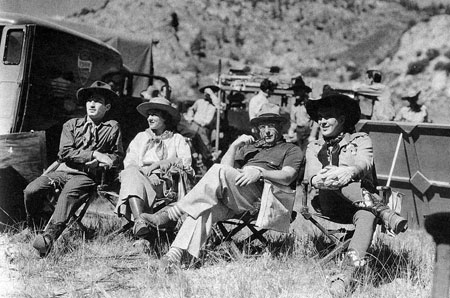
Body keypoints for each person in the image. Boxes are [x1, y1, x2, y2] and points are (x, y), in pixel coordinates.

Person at [139, 103, 303, 270]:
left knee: (218, 170)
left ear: (280, 127)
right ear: (258, 129)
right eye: (263, 126)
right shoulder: (252, 147)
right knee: (203, 208)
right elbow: (226, 168)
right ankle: (173, 258)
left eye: (272, 126)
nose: (266, 131)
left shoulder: (290, 149)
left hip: (262, 199)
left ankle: (172, 213)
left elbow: (288, 176)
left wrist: (260, 173)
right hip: (235, 197)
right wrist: (234, 146)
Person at [304, 90, 408, 295]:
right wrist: (332, 175)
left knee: (367, 216)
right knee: (335, 178)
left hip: (358, 205)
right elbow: (313, 177)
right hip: (329, 203)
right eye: (319, 117)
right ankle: (385, 212)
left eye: (327, 116)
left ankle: (344, 276)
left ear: (342, 119)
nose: (322, 121)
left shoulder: (360, 139)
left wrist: (350, 171)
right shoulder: (314, 146)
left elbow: (364, 162)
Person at [27, 81, 124, 255]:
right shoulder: (71, 125)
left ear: (107, 106)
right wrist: (93, 154)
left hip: (86, 176)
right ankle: (35, 226)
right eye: (89, 100)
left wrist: (105, 161)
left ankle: (48, 237)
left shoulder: (112, 128)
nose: (92, 104)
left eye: (98, 101)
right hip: (63, 170)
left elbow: (117, 156)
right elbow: (65, 152)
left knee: (68, 193)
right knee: (32, 190)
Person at [115, 97, 193, 238]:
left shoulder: (177, 139)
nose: (149, 118)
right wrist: (147, 175)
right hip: (140, 178)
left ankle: (141, 225)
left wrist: (159, 168)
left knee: (132, 178)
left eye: (154, 114)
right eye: (148, 115)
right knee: (131, 173)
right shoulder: (141, 137)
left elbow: (185, 163)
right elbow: (130, 161)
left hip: (165, 186)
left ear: (165, 118)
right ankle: (140, 222)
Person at [184, 83, 221, 151]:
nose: (206, 94)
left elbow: (218, 104)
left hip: (204, 128)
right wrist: (190, 117)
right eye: (205, 92)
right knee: (190, 143)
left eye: (208, 93)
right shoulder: (199, 101)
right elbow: (191, 109)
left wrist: (211, 94)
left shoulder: (215, 105)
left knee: (205, 145)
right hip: (195, 125)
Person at [286, 76, 318, 154]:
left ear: (303, 91)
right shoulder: (294, 106)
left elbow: (316, 121)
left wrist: (312, 135)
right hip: (299, 132)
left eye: (298, 90)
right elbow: (293, 122)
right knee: (297, 154)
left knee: (307, 154)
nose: (296, 92)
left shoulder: (310, 104)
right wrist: (291, 131)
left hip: (308, 132)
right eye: (295, 90)